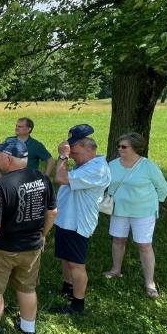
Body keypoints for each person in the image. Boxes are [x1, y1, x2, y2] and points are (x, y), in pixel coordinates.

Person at [0, 137, 57, 334]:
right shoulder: (42, 178)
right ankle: (28, 329)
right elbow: (52, 212)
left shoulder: (0, 186)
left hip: (4, 249)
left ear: (7, 158)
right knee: (27, 288)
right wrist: (42, 235)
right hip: (32, 247)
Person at [51, 124, 110, 315]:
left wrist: (62, 157)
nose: (72, 156)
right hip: (66, 219)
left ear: (89, 148)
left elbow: (60, 178)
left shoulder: (96, 169)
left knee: (76, 263)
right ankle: (68, 289)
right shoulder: (84, 164)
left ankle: (77, 304)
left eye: (74, 152)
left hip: (77, 223)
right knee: (66, 258)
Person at [102, 132, 167, 298]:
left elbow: (163, 188)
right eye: (118, 146)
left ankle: (149, 282)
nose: (119, 149)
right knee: (118, 240)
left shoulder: (148, 166)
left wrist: (153, 202)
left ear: (135, 148)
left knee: (144, 245)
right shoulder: (112, 165)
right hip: (119, 210)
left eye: (124, 146)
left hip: (143, 212)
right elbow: (105, 184)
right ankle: (116, 270)